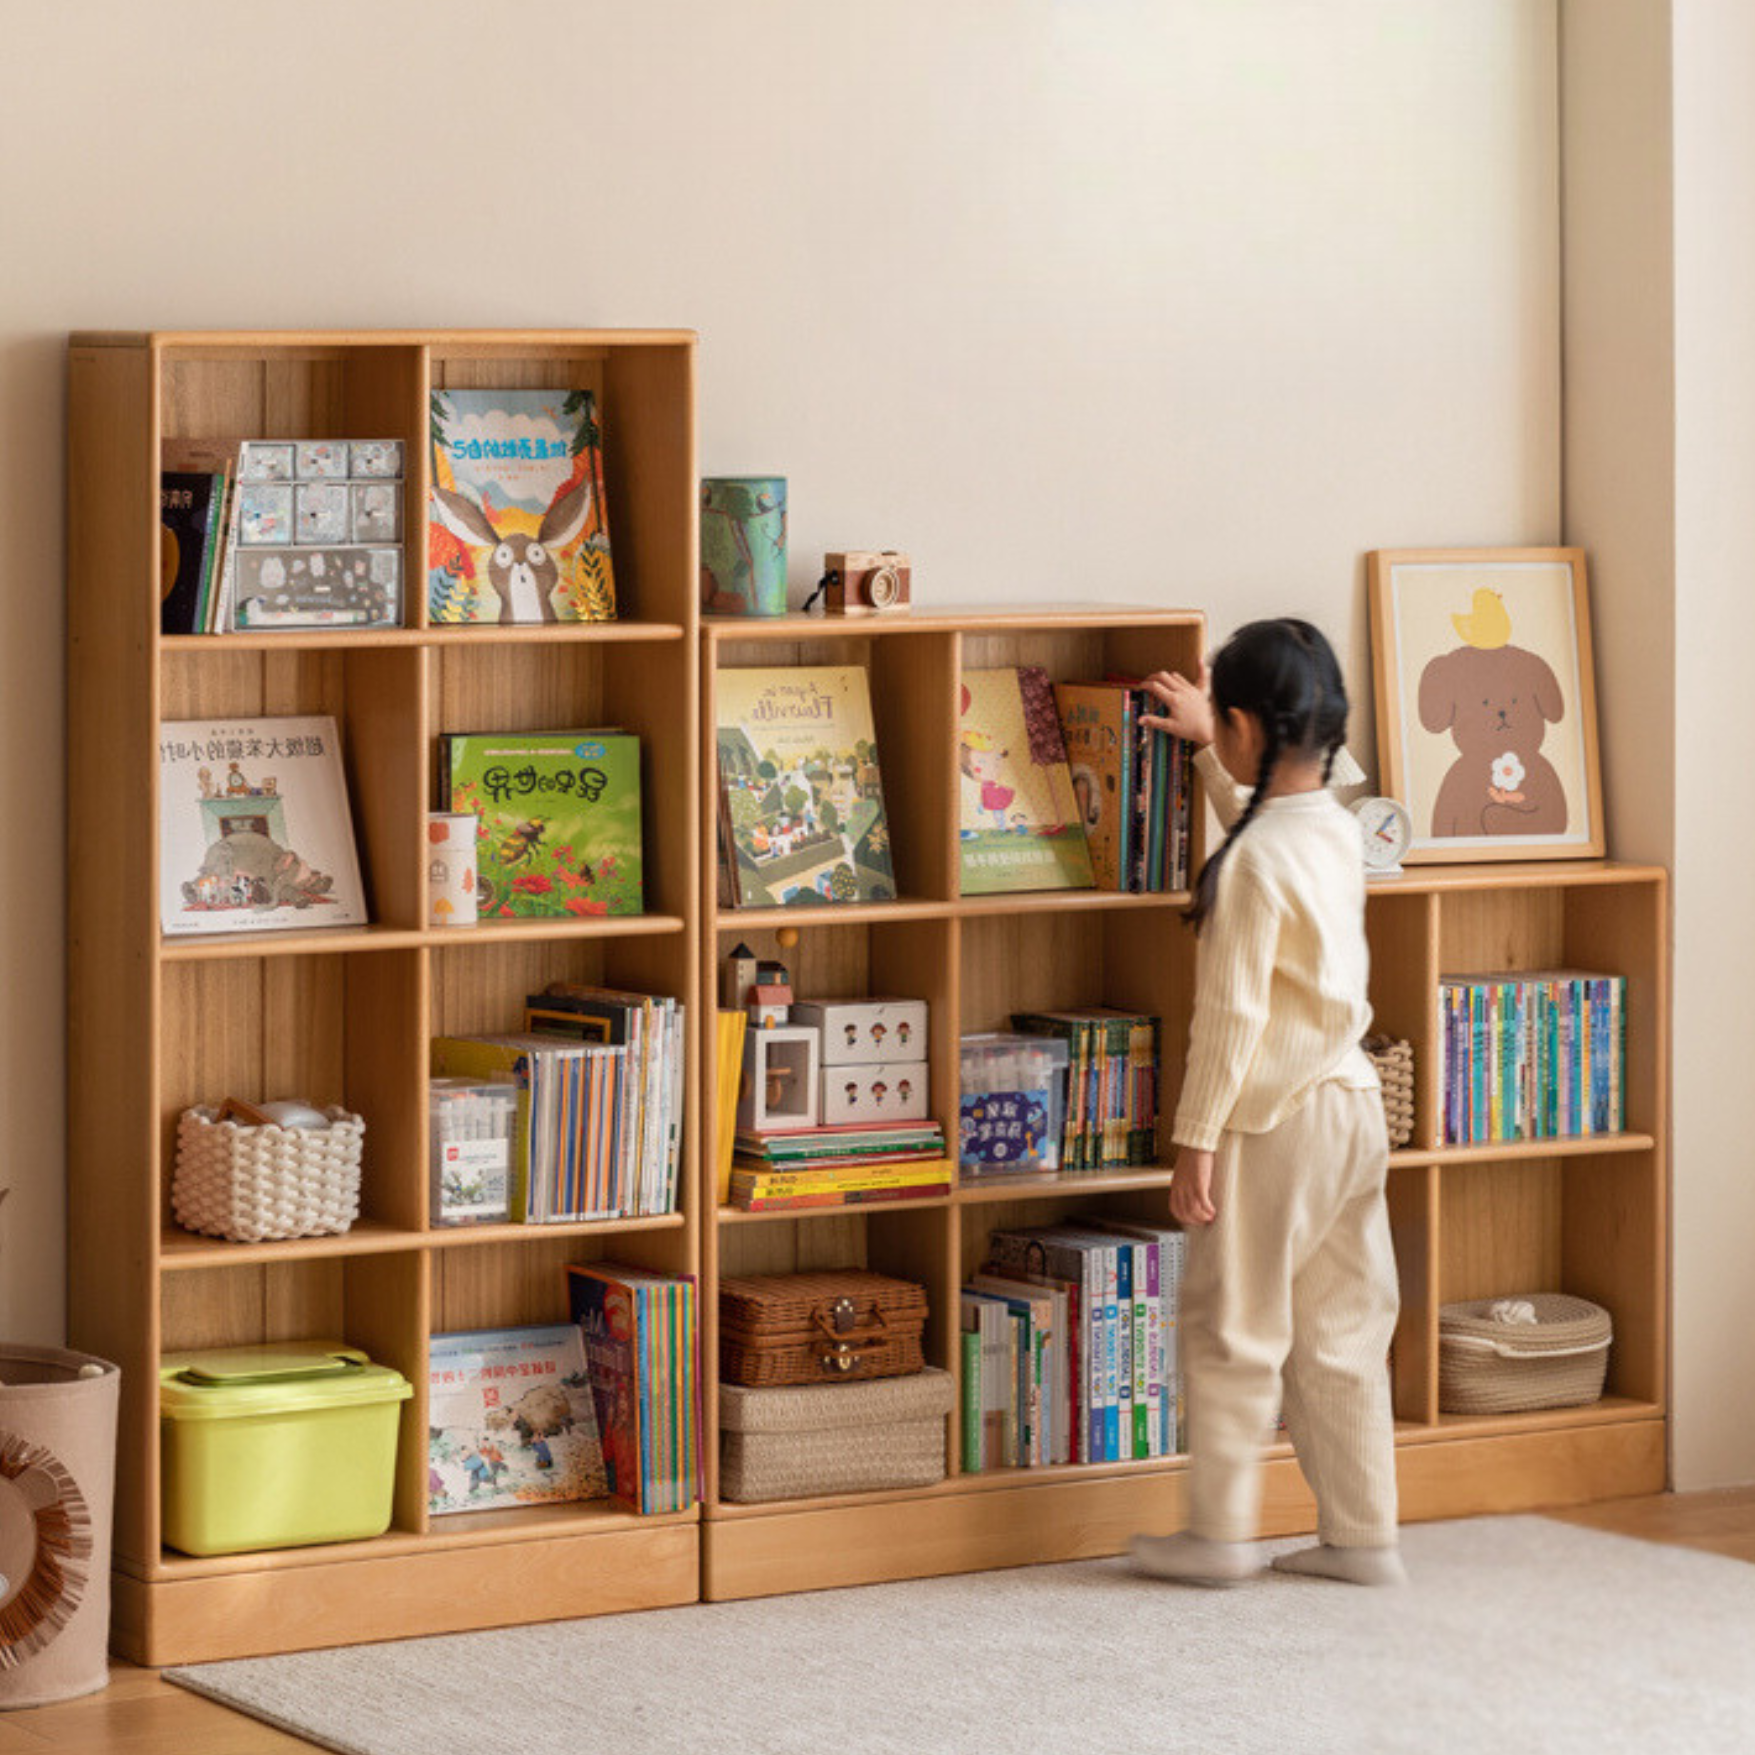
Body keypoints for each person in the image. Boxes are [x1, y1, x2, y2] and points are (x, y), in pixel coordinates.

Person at [1128, 618, 1405, 1588]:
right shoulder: (1334, 824)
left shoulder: (1251, 865)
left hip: (1273, 1115)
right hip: (1352, 1107)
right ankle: (1363, 1537)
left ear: (1244, 723)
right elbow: (1267, 808)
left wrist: (1194, 1139)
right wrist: (1220, 744)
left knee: (1234, 1325)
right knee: (1343, 1331)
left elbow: (1232, 1017)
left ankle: (1215, 1535)